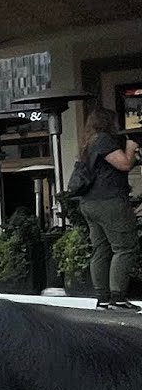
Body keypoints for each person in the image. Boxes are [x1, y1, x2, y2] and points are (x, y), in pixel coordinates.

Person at [76, 108, 140, 310]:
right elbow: (123, 164)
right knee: (125, 247)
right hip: (109, 201)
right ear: (107, 122)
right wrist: (131, 145)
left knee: (101, 249)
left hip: (89, 202)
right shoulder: (103, 140)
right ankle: (118, 298)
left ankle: (103, 298)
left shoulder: (89, 143)